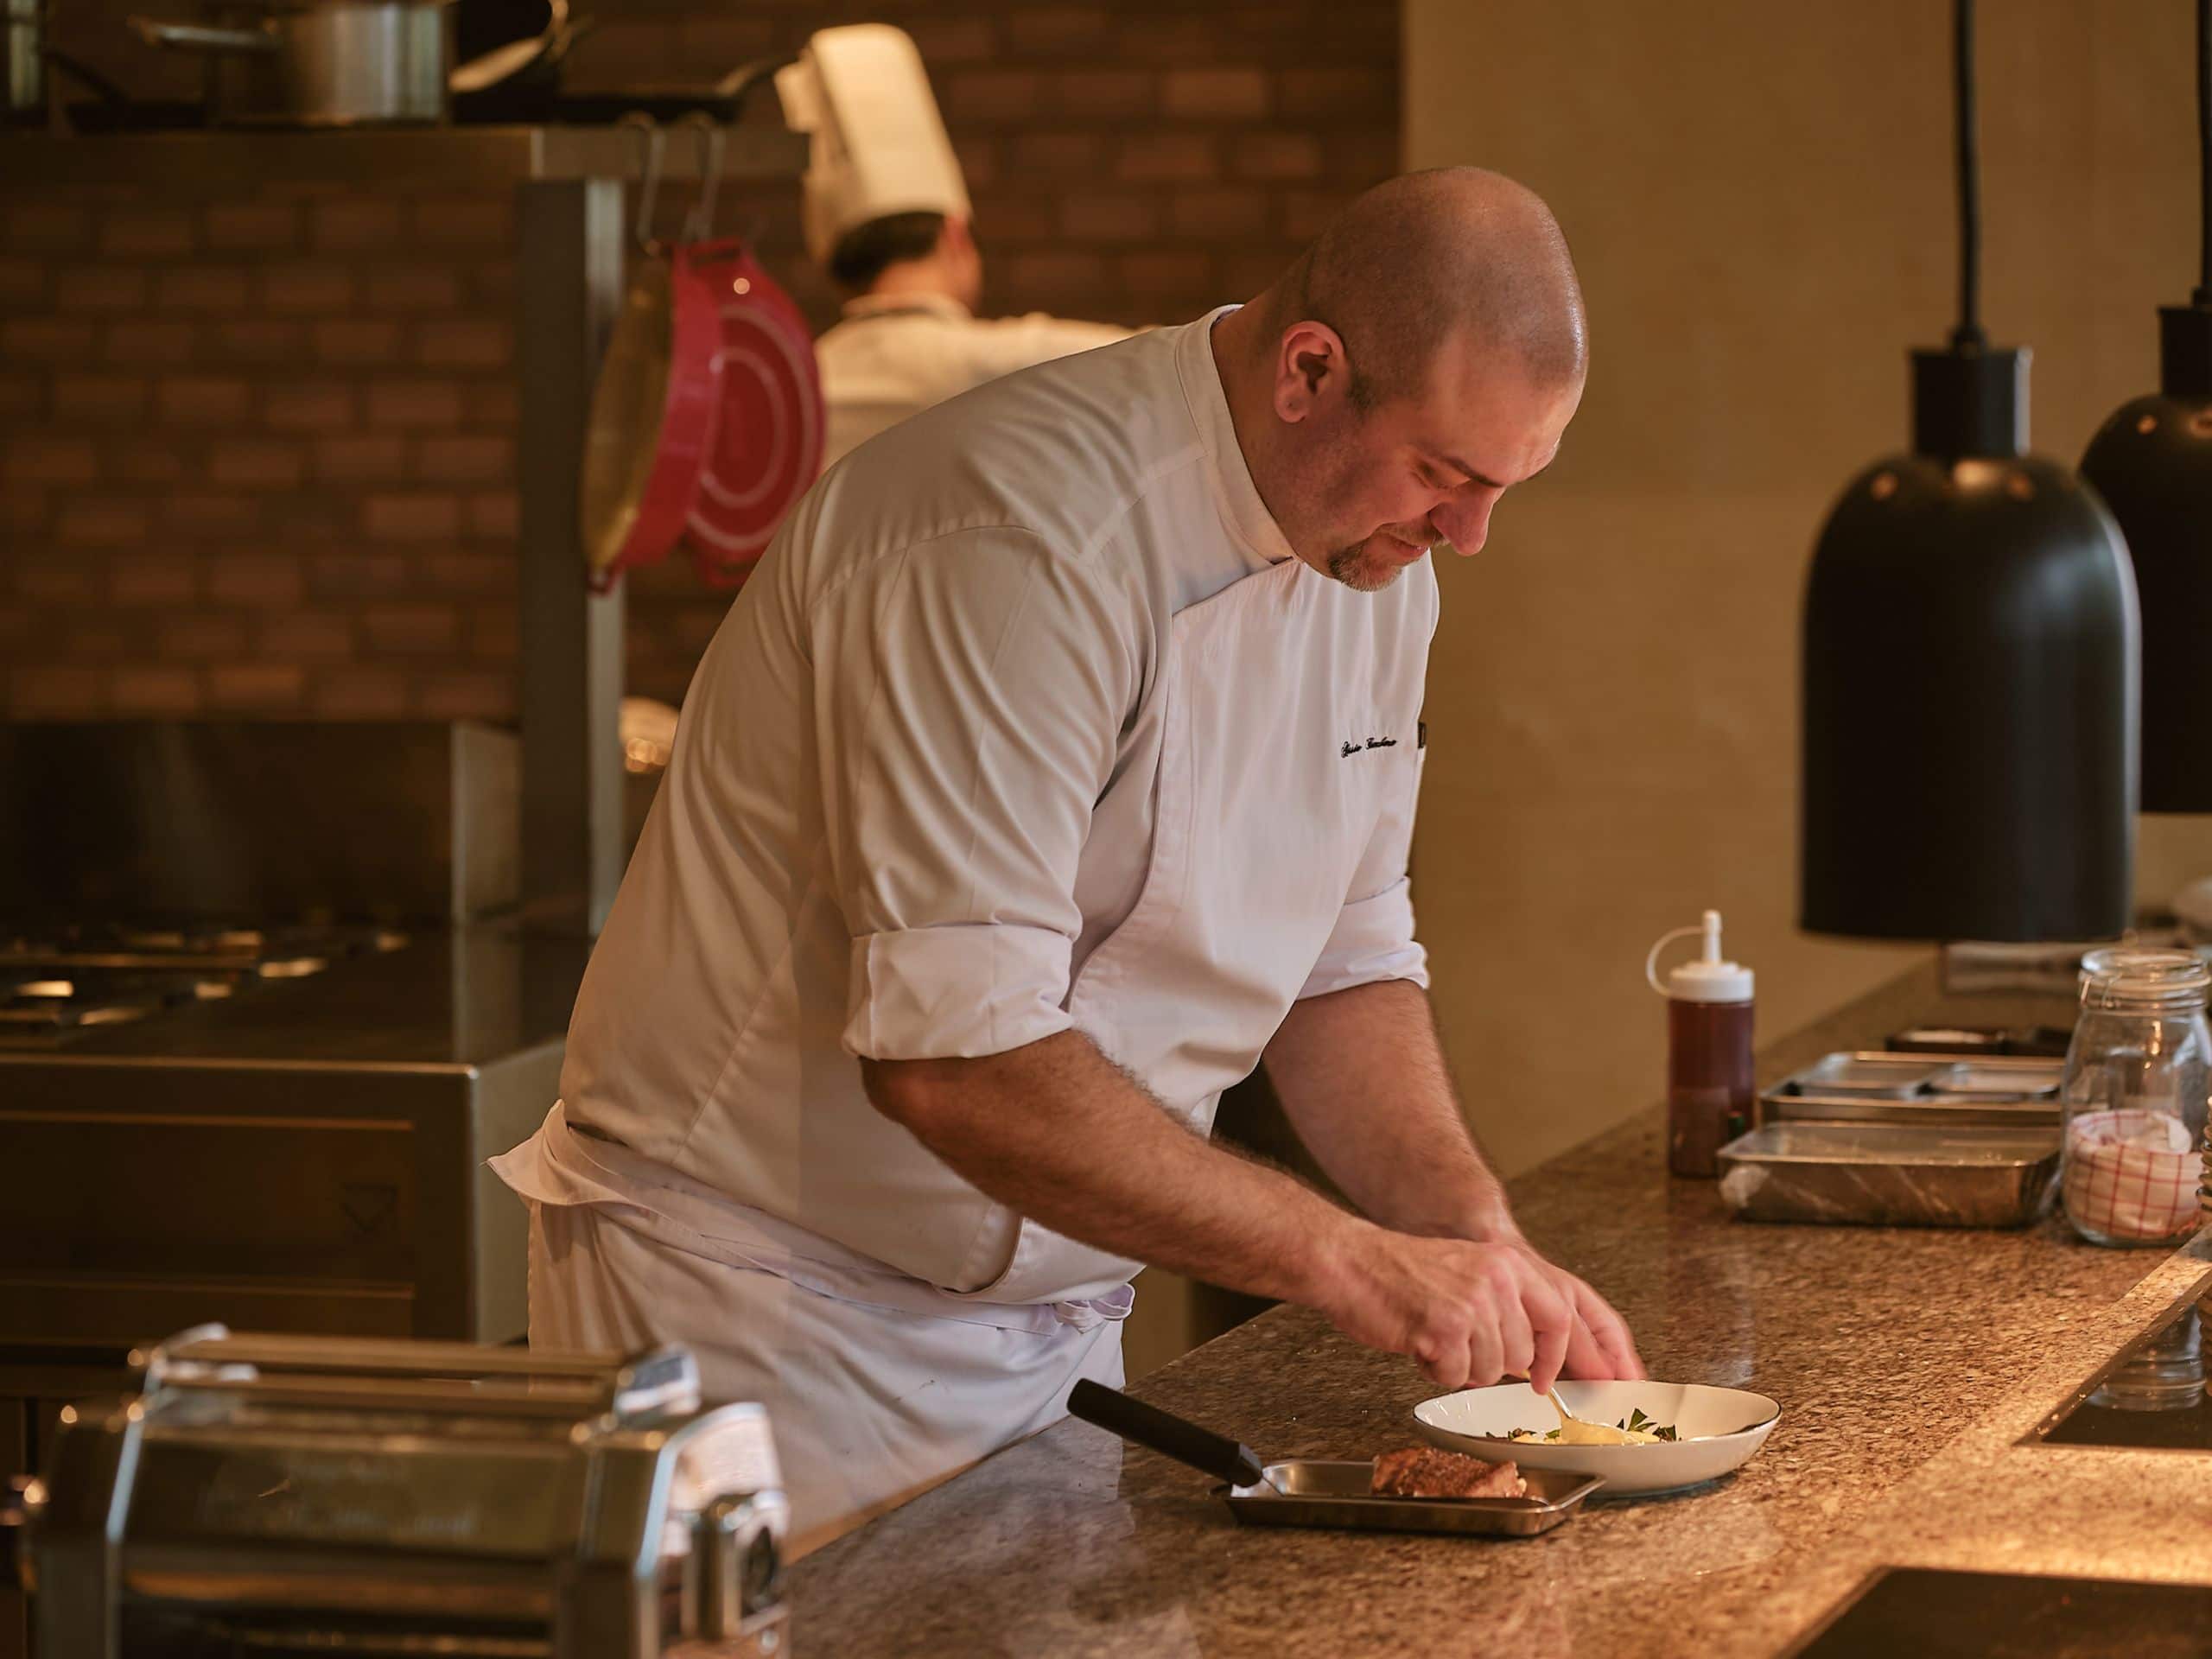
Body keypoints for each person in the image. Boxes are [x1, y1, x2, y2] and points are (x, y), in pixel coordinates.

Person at [493, 166, 1644, 1543]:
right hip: (757, 1328)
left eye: (1507, 483)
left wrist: (1470, 1232)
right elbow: (952, 1062)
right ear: (1309, 372)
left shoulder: (1377, 570)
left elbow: (1343, 966)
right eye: (1446, 473)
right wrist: (1347, 1261)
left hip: (1046, 1348)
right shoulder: (1012, 537)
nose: (1469, 532)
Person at [774, 22, 1128, 467]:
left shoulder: (795, 392)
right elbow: (1176, 369)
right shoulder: (1007, 362)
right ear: (955, 236)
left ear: (837, 270)